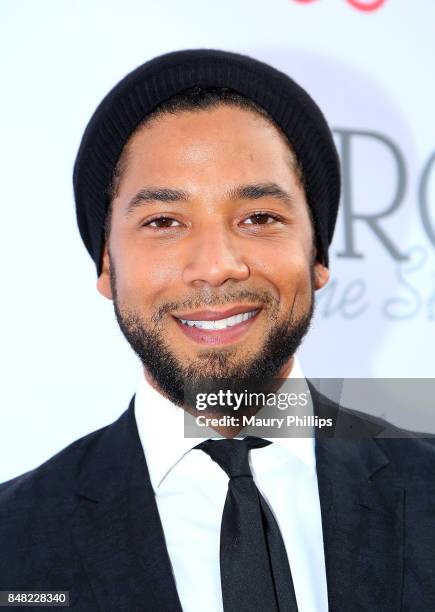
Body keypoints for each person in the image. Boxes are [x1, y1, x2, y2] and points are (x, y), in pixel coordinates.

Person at [0, 49, 434, 612]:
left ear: (318, 254)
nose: (216, 264)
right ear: (107, 265)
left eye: (259, 218)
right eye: (163, 222)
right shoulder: (14, 541)